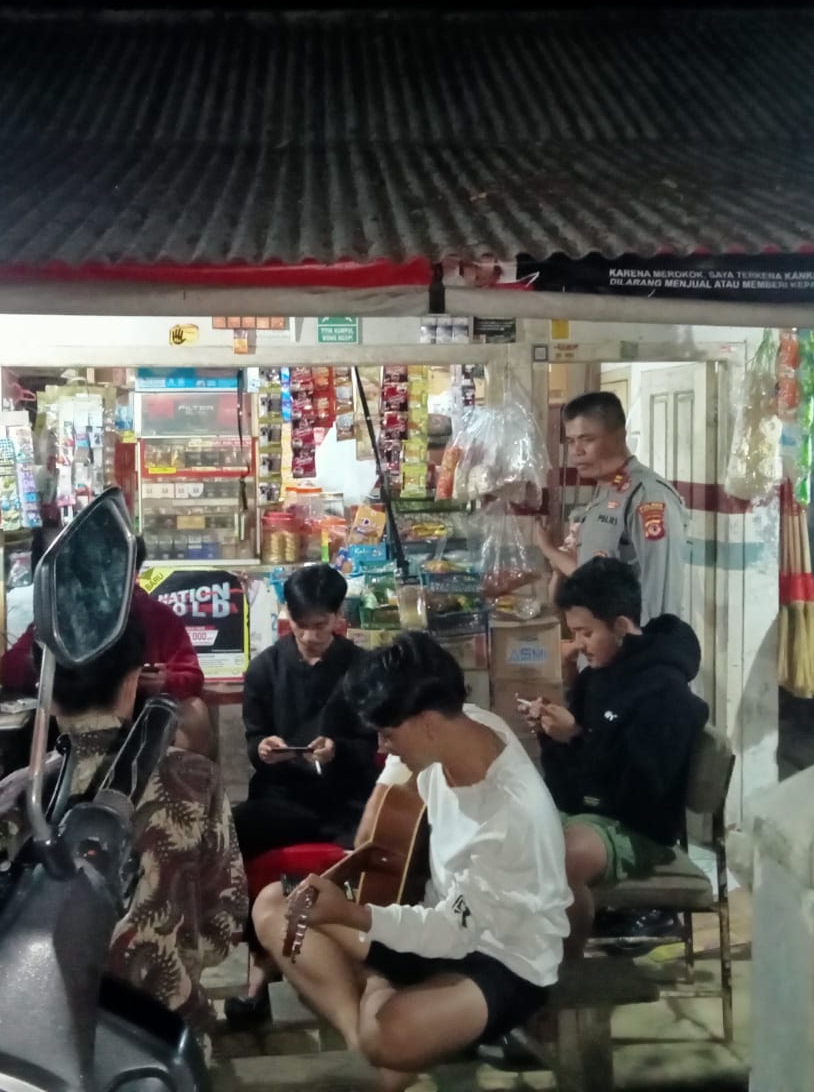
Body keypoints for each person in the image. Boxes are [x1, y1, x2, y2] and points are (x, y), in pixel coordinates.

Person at [252, 633, 570, 1092]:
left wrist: (351, 915)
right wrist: (367, 838)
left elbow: (453, 932)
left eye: (388, 734)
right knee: (272, 904)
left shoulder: (510, 817)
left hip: (502, 954)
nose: (382, 747)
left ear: (427, 723)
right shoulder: (464, 722)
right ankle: (366, 1031)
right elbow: (393, 780)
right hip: (433, 920)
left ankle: (377, 1007)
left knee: (391, 1032)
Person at [0, 612, 247, 1055]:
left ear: (45, 693)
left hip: (33, 1044)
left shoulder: (6, 801)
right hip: (165, 1041)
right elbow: (225, 925)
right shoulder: (195, 781)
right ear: (131, 684)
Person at [530, 557, 708, 954]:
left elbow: (638, 795)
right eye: (574, 633)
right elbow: (568, 782)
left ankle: (562, 971)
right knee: (507, 830)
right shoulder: (596, 676)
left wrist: (575, 737)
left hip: (636, 828)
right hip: (588, 808)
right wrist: (552, 736)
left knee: (560, 858)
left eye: (586, 633)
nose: (578, 644)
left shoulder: (666, 694)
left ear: (622, 627)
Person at [226, 563, 374, 1025]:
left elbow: (374, 745)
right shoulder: (265, 669)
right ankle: (258, 968)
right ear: (287, 616)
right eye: (301, 625)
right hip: (283, 798)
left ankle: (366, 970)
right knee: (234, 830)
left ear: (338, 616)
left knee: (381, 843)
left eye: (321, 625)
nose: (311, 636)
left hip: (345, 799)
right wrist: (263, 749)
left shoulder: (362, 669)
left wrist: (338, 750)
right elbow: (254, 738)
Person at [0, 536, 213, 754]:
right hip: (70, 719)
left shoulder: (158, 617)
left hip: (140, 716)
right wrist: (57, 674)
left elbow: (193, 677)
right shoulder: (63, 615)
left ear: (133, 572)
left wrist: (164, 681)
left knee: (196, 711)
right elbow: (10, 668)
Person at [535, 391, 690, 625]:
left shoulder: (648, 496)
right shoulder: (606, 489)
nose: (576, 451)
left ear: (619, 437)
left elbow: (661, 598)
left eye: (587, 439)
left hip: (633, 643)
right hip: (599, 640)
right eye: (571, 441)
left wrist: (647, 646)